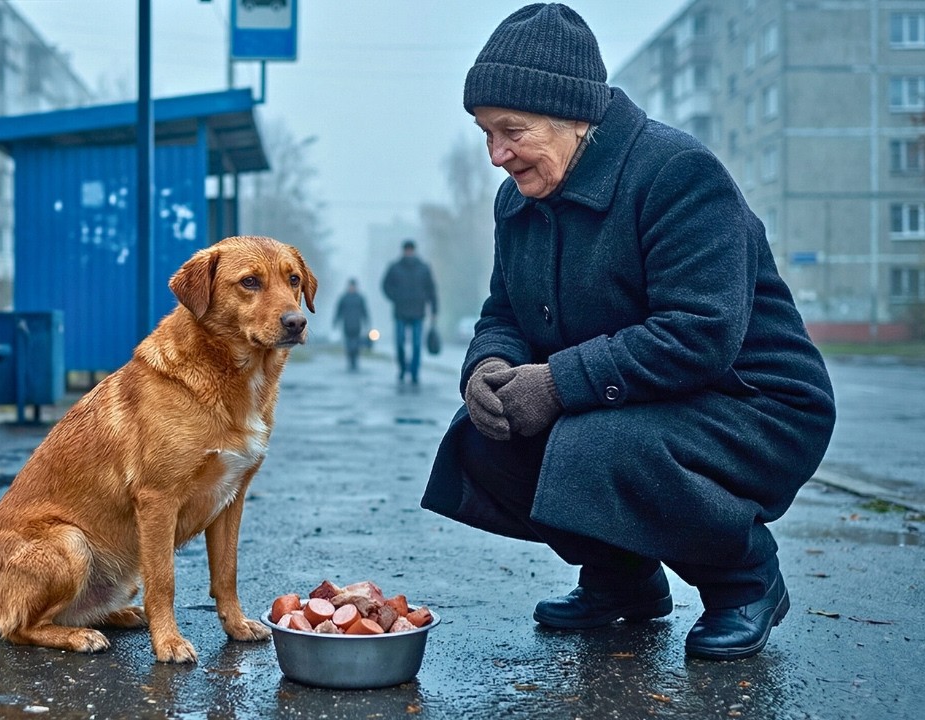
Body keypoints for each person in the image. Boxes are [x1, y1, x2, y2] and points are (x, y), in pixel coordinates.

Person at [420, 3, 836, 661]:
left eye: (511, 131)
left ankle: (746, 577)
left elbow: (700, 333)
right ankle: (623, 580)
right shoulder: (519, 202)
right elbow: (504, 313)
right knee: (484, 437)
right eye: (484, 132)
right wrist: (488, 368)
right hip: (640, 403)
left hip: (754, 407)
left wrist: (556, 383)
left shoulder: (676, 174)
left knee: (592, 443)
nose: (497, 155)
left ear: (573, 118)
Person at [380, 239, 438, 384]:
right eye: (407, 250)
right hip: (400, 312)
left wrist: (434, 310)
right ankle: (402, 368)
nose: (409, 253)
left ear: (414, 251)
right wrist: (395, 297)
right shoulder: (394, 267)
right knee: (399, 342)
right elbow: (385, 286)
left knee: (417, 345)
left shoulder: (424, 268)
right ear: (403, 251)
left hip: (418, 312)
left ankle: (414, 372)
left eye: (411, 250)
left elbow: (431, 290)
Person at [332, 278, 371, 371]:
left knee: (356, 344)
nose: (352, 288)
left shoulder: (360, 298)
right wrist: (335, 322)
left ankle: (355, 361)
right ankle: (350, 361)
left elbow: (364, 311)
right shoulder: (344, 298)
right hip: (347, 325)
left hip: (357, 325)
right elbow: (339, 311)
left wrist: (367, 323)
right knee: (349, 345)